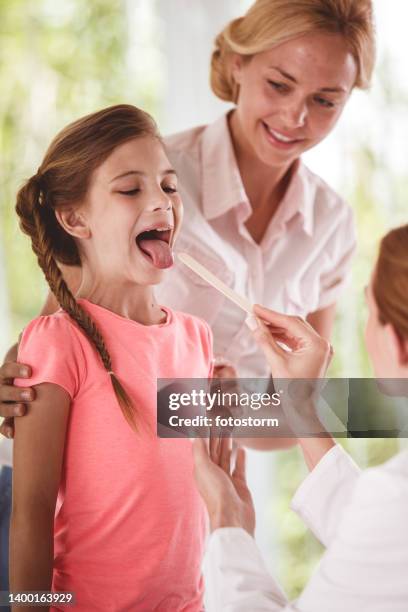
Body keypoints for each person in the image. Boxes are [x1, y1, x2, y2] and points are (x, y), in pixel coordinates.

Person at [0, 0, 376, 434]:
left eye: (325, 100)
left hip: (190, 490)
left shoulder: (333, 226)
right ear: (238, 64)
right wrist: (20, 379)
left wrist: (282, 406)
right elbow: (54, 343)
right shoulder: (138, 180)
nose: (296, 117)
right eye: (278, 85)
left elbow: (282, 425)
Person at [9, 104, 215, 612]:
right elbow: (31, 514)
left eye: (168, 185)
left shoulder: (197, 338)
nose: (161, 202)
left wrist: (315, 388)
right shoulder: (57, 342)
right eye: (130, 189)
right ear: (75, 218)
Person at [193, 225, 408, 611]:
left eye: (369, 311)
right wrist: (301, 408)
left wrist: (227, 520)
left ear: (398, 345)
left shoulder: (393, 500)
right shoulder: (392, 505)